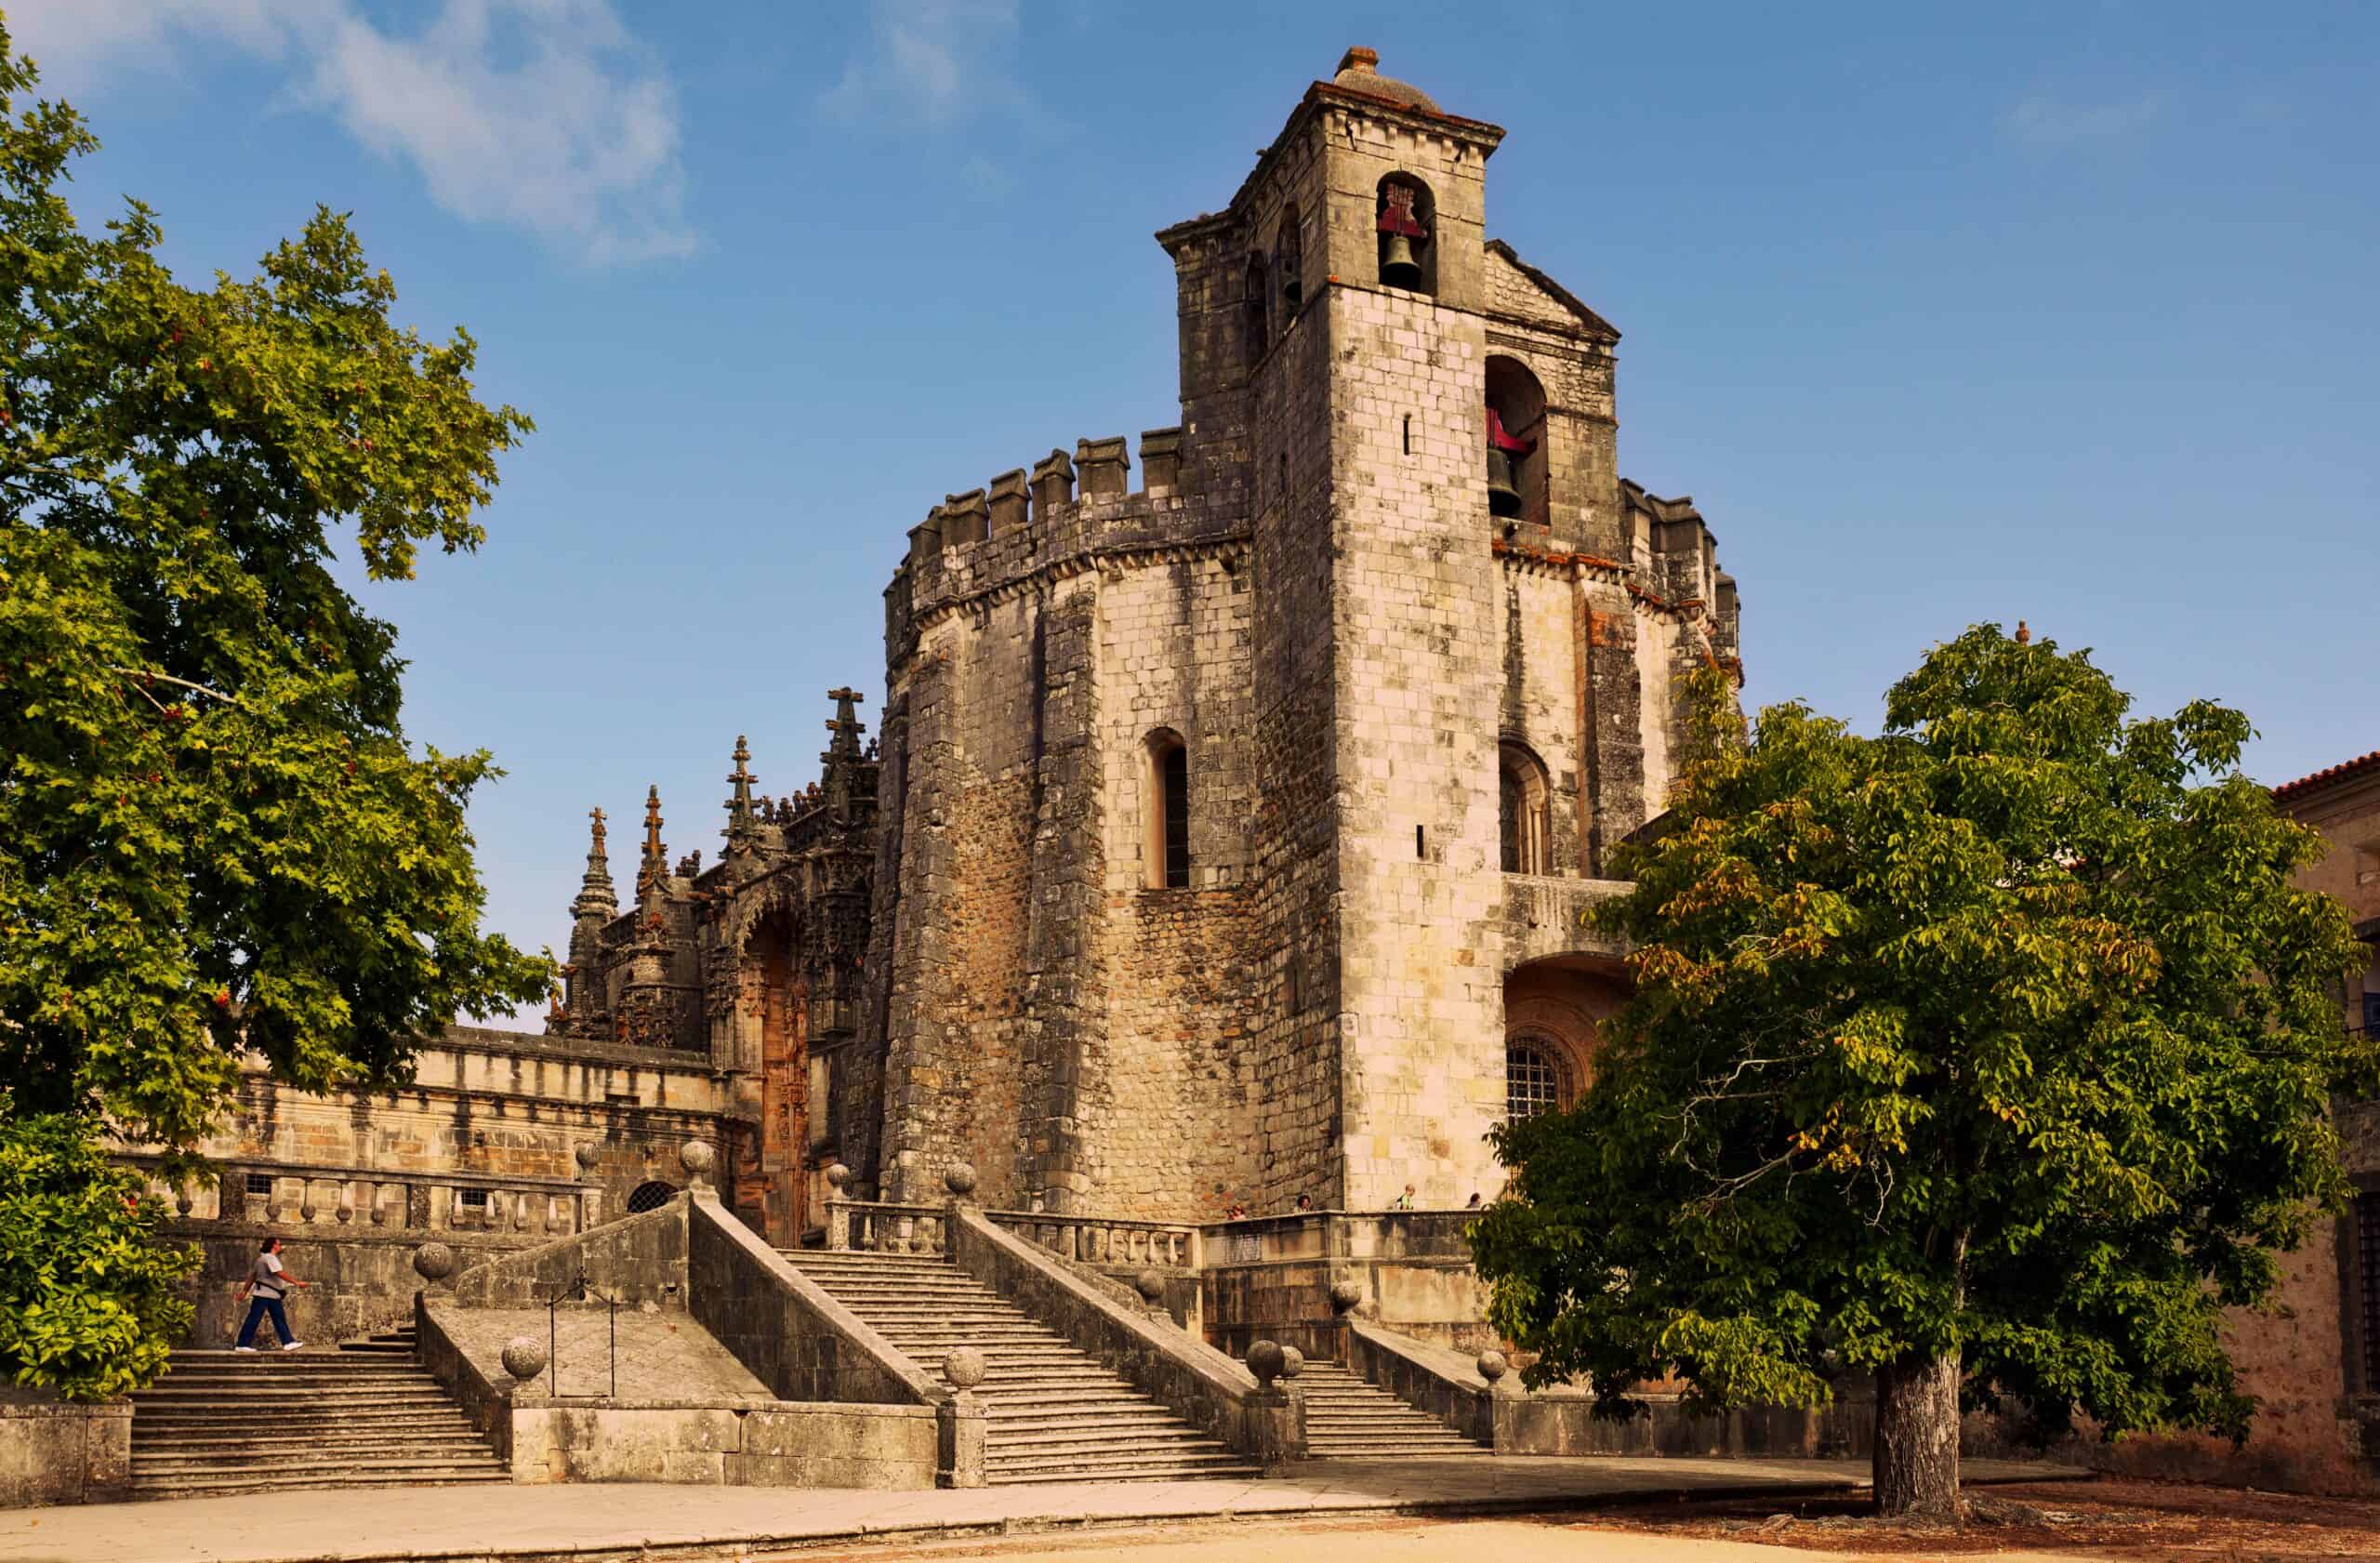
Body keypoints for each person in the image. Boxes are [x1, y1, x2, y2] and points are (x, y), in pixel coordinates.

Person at [233, 1237, 308, 1352]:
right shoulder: (270, 1258)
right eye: (279, 1244)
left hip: (270, 1295)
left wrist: (244, 1291)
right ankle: (242, 1344)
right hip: (266, 1295)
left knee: (277, 1318)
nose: (280, 1246)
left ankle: (288, 1342)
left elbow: (252, 1277)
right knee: (256, 1318)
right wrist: (296, 1282)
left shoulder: (261, 1259)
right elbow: (280, 1273)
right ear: (273, 1245)